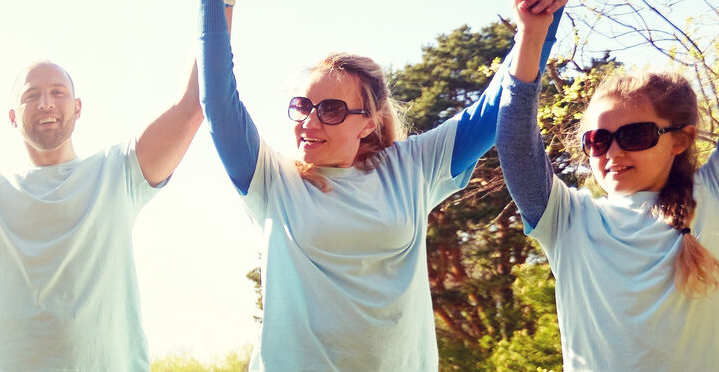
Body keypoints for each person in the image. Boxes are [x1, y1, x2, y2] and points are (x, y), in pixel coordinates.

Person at [197, 0, 563, 369]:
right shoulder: (270, 179)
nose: (309, 121)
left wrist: (539, 23)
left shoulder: (412, 167)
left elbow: (495, 107)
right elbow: (218, 102)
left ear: (368, 122)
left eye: (331, 110)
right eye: (302, 105)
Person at [0, 4, 203, 370]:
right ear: (12, 117)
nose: (45, 103)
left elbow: (192, 106)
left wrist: (220, 7)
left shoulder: (119, 172)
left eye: (57, 92)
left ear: (78, 107)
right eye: (31, 95)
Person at [496, 69, 719, 370]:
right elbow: (517, 146)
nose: (613, 152)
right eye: (598, 140)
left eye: (635, 135)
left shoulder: (710, 195)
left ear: (681, 139)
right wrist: (532, 36)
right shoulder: (567, 220)